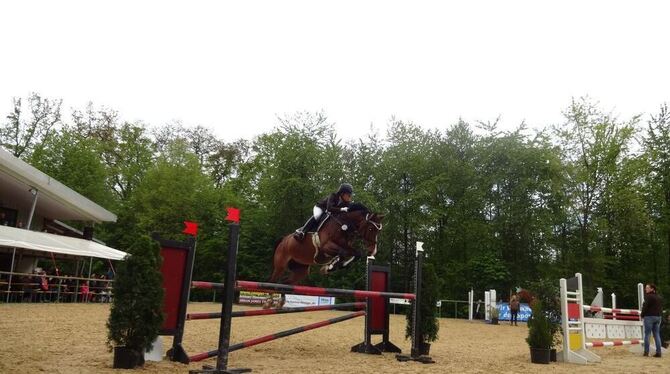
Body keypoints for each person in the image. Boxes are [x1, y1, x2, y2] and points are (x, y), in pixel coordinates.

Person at [641, 283, 663, 357]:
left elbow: (645, 307)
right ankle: (659, 352)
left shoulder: (648, 296)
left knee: (647, 334)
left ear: (652, 289)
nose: (645, 289)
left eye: (647, 288)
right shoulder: (659, 297)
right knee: (657, 335)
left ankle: (646, 352)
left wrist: (642, 315)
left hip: (649, 317)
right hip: (658, 317)